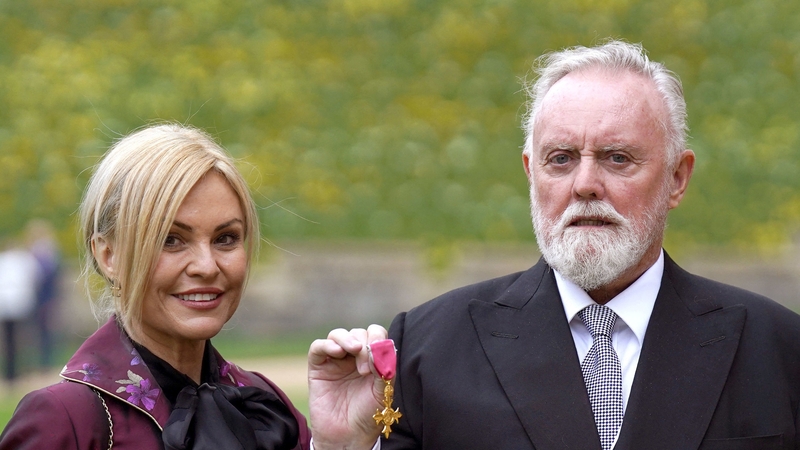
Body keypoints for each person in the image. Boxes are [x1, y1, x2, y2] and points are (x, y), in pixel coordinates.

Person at [382, 40, 800, 450]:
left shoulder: (780, 350)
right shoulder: (426, 349)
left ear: (677, 178)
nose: (584, 185)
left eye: (617, 158)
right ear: (532, 172)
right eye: (561, 159)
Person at [0, 124, 387, 450]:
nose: (206, 266)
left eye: (226, 239)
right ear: (108, 256)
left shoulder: (265, 404)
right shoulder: (66, 421)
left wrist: (341, 444)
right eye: (171, 239)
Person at [0, 239, 39, 382]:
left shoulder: (6, 260)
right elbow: (35, 277)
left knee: (10, 340)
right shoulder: (24, 260)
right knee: (22, 339)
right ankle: (17, 371)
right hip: (19, 303)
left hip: (9, 304)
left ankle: (11, 372)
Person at [26, 219, 62, 369]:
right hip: (37, 298)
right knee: (38, 331)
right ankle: (40, 361)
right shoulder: (34, 254)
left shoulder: (48, 255)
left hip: (46, 298)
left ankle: (46, 362)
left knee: (46, 330)